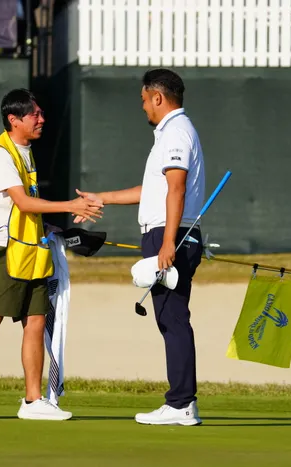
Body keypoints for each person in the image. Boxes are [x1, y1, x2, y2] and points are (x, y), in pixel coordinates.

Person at [0, 88, 103, 421]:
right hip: (3, 251)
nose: (41, 119)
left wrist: (49, 227)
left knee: (35, 320)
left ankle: (33, 401)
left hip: (31, 248)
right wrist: (71, 206)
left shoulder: (25, 151)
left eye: (40, 113)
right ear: (14, 119)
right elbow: (23, 202)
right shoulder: (2, 154)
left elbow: (25, 210)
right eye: (35, 114)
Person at [75, 69, 205, 426]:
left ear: (158, 98)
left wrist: (167, 242)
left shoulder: (176, 132)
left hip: (170, 235)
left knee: (173, 318)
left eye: (145, 100)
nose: (144, 106)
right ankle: (181, 402)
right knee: (169, 318)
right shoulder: (169, 133)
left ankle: (181, 404)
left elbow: (176, 189)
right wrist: (102, 198)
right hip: (167, 233)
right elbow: (154, 191)